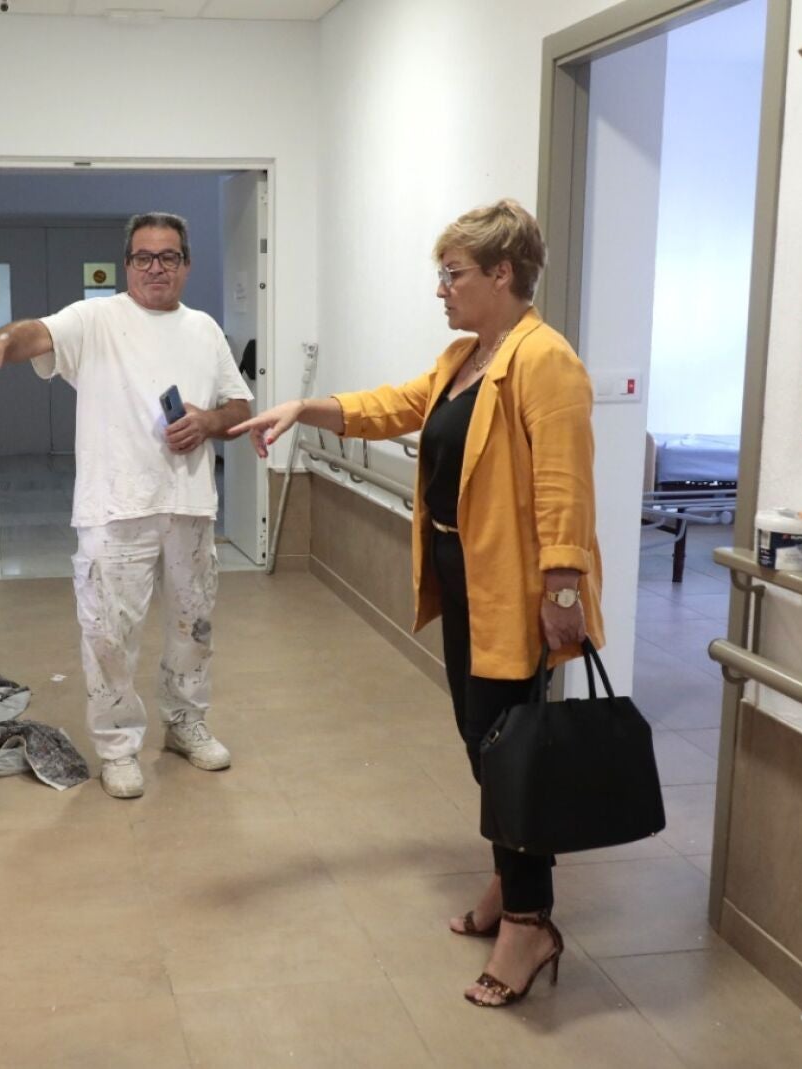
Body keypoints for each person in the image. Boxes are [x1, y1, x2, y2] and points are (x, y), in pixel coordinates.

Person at [230, 198, 604, 1009]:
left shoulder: (546, 361)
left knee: (508, 749)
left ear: (502, 273)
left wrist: (562, 589)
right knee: (483, 740)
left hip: (515, 590)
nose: (441, 288)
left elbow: (564, 487)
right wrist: (303, 408)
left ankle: (529, 923)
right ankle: (510, 879)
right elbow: (392, 406)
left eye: (453, 273)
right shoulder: (467, 357)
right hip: (465, 577)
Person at [0, 212, 254, 799]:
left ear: (187, 264)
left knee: (193, 627)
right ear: (127, 264)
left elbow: (239, 408)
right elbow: (36, 333)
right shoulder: (95, 320)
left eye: (169, 256)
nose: (156, 267)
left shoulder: (205, 330)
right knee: (109, 634)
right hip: (113, 509)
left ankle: (185, 722)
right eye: (144, 257)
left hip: (189, 506)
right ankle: (118, 746)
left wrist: (208, 421)